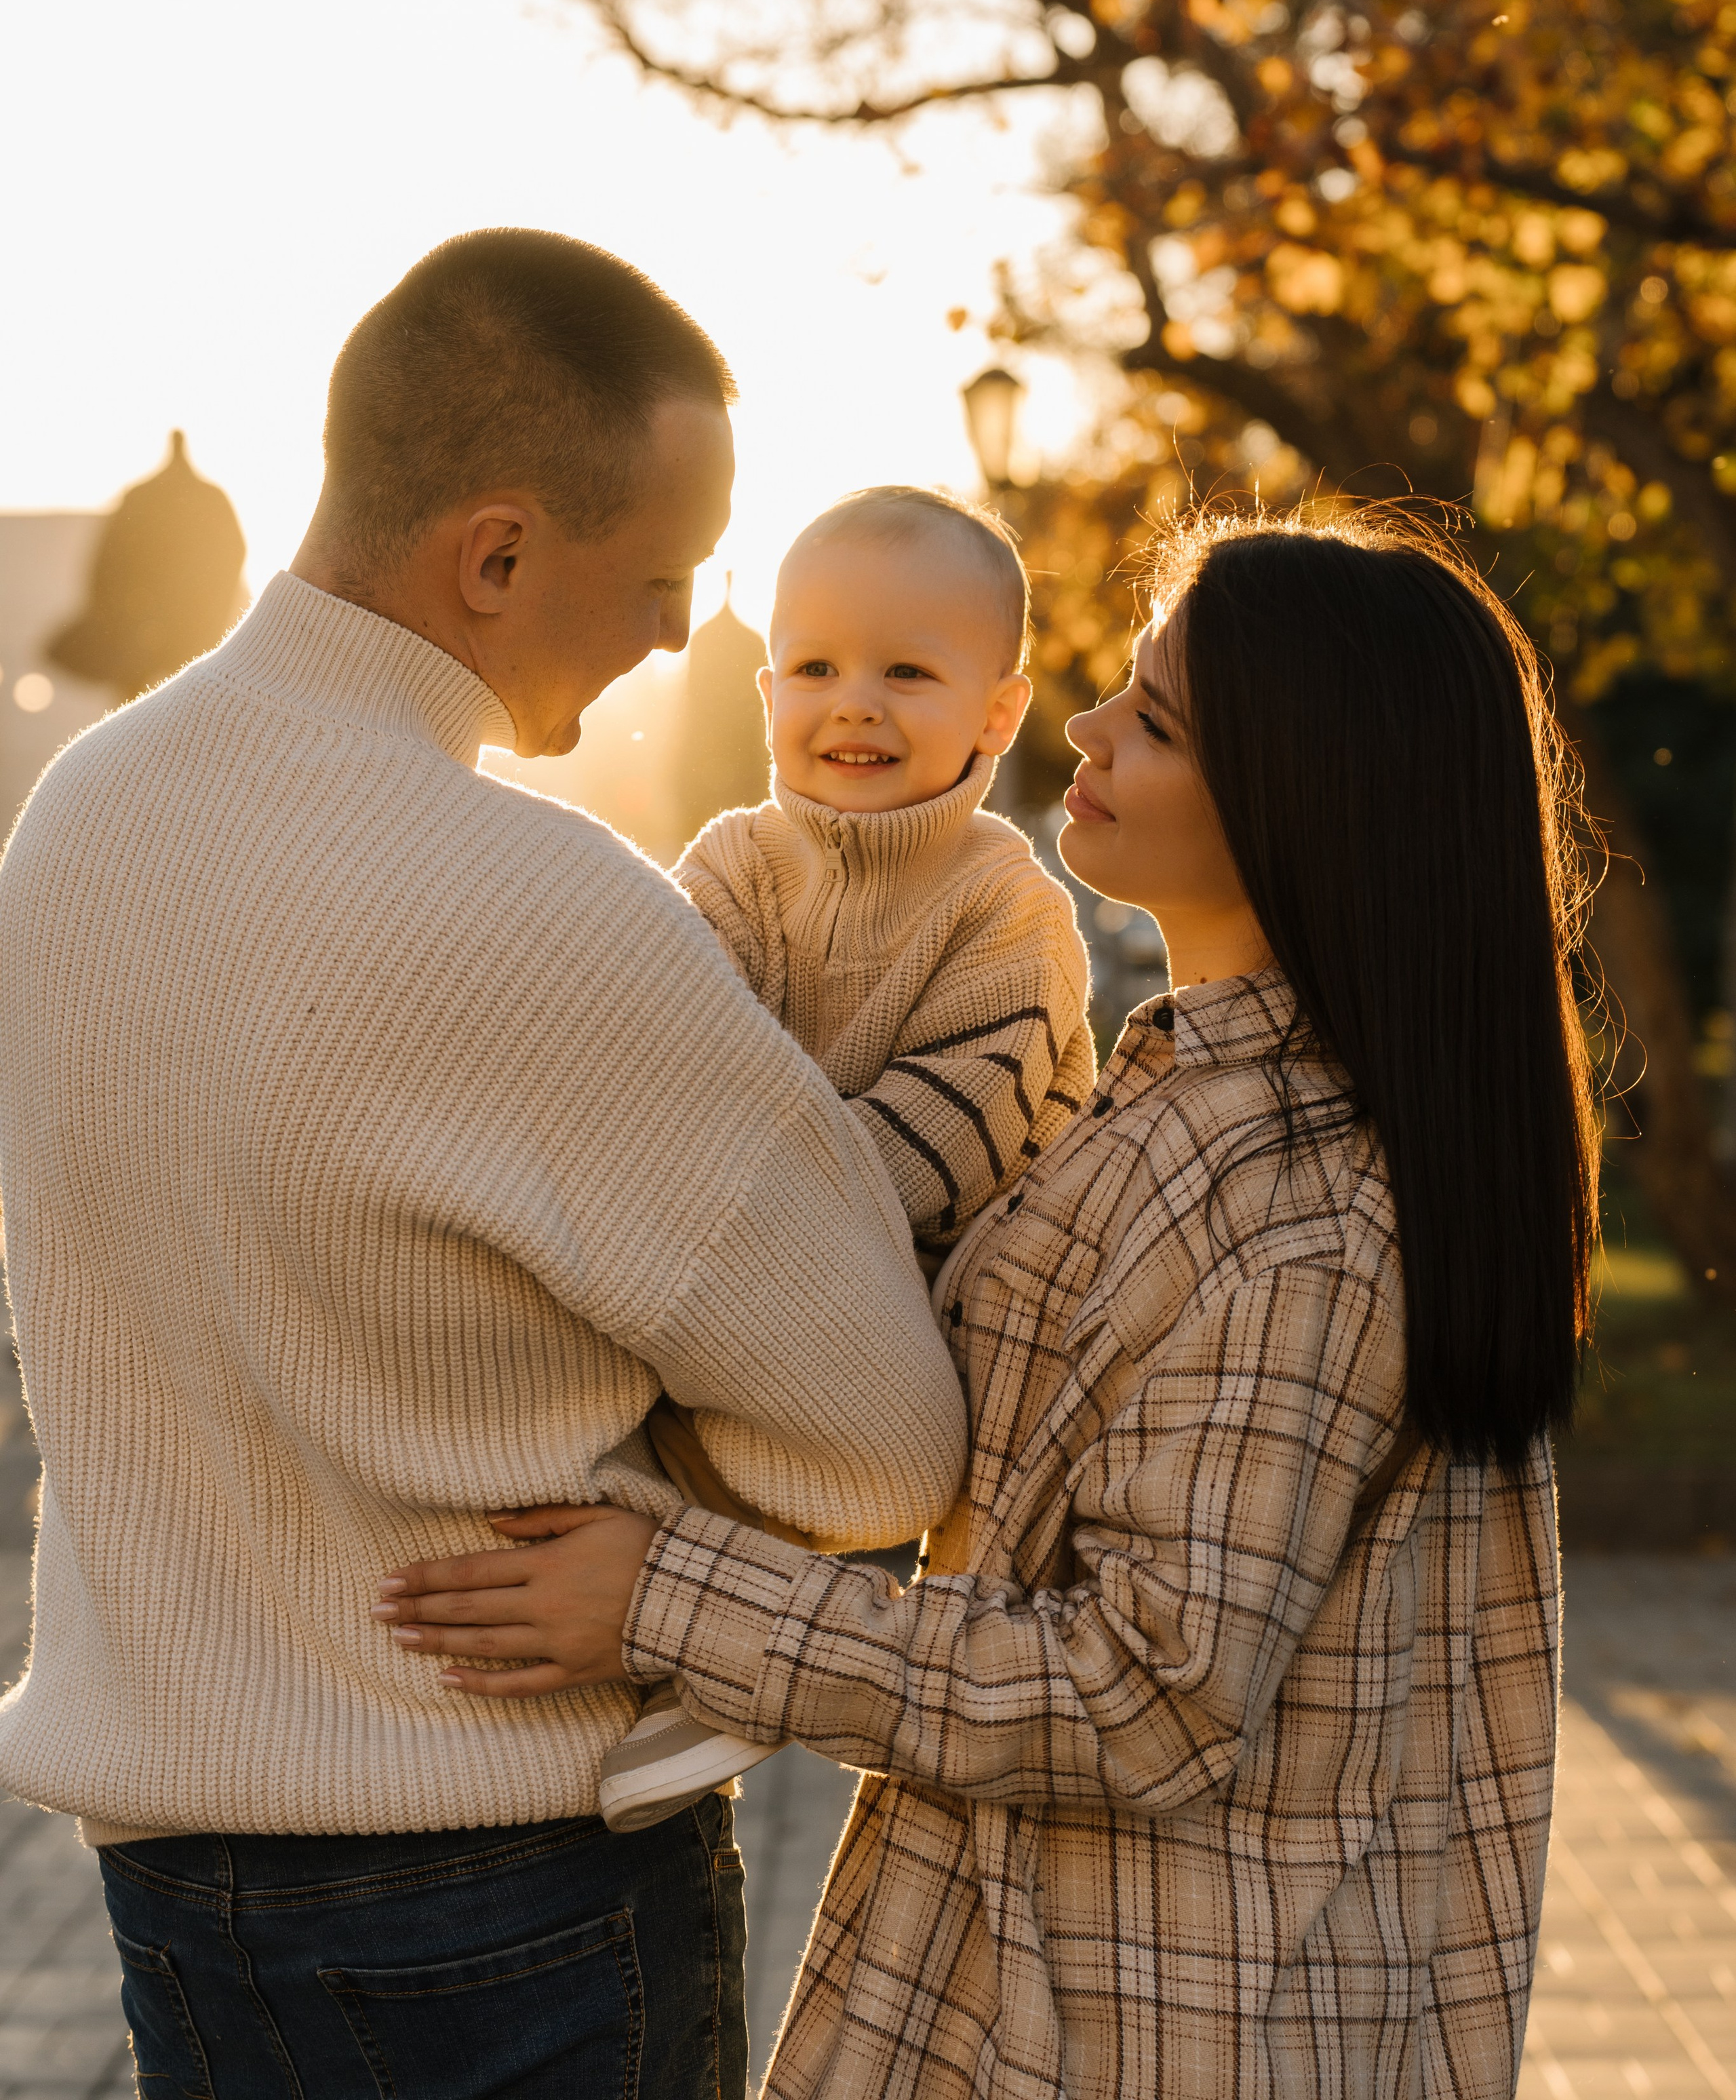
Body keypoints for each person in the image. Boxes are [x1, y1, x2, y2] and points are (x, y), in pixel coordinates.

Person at [378, 508, 1594, 2100]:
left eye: (1154, 719)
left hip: (1170, 2020)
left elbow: (1144, 1695)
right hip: (1024, 1967)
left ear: (1306, 796)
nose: (1086, 726)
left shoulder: (1313, 1214)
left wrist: (670, 1600)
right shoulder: (1168, 1092)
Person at [0, 229, 967, 2100]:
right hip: (501, 1890)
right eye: (668, 573)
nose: (687, 633)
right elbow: (882, 1447)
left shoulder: (79, 817)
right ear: (499, 556)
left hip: (174, 1898)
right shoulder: (545, 909)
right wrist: (656, 1528)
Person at [599, 486, 1094, 1829]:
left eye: (907, 674)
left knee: (791, 1403)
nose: (853, 704)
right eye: (814, 668)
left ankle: (737, 1639)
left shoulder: (1008, 909)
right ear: (766, 691)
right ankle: (648, 1606)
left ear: (997, 713)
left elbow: (941, 1140)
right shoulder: (732, 869)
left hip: (933, 1293)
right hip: (753, 1258)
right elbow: (668, 1061)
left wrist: (727, 1211)